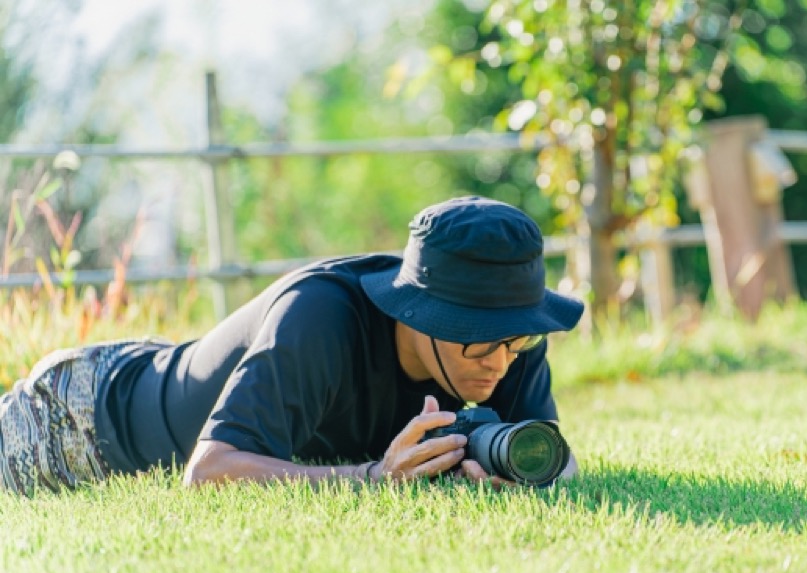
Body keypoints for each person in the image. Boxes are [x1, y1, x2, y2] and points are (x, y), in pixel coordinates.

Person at [0, 196, 585, 496]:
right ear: (421, 315)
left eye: (516, 339)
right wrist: (374, 478)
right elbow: (209, 472)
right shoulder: (322, 316)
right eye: (480, 342)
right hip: (79, 421)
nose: (500, 361)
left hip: (170, 369)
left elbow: (559, 458)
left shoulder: (513, 337)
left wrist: (524, 474)